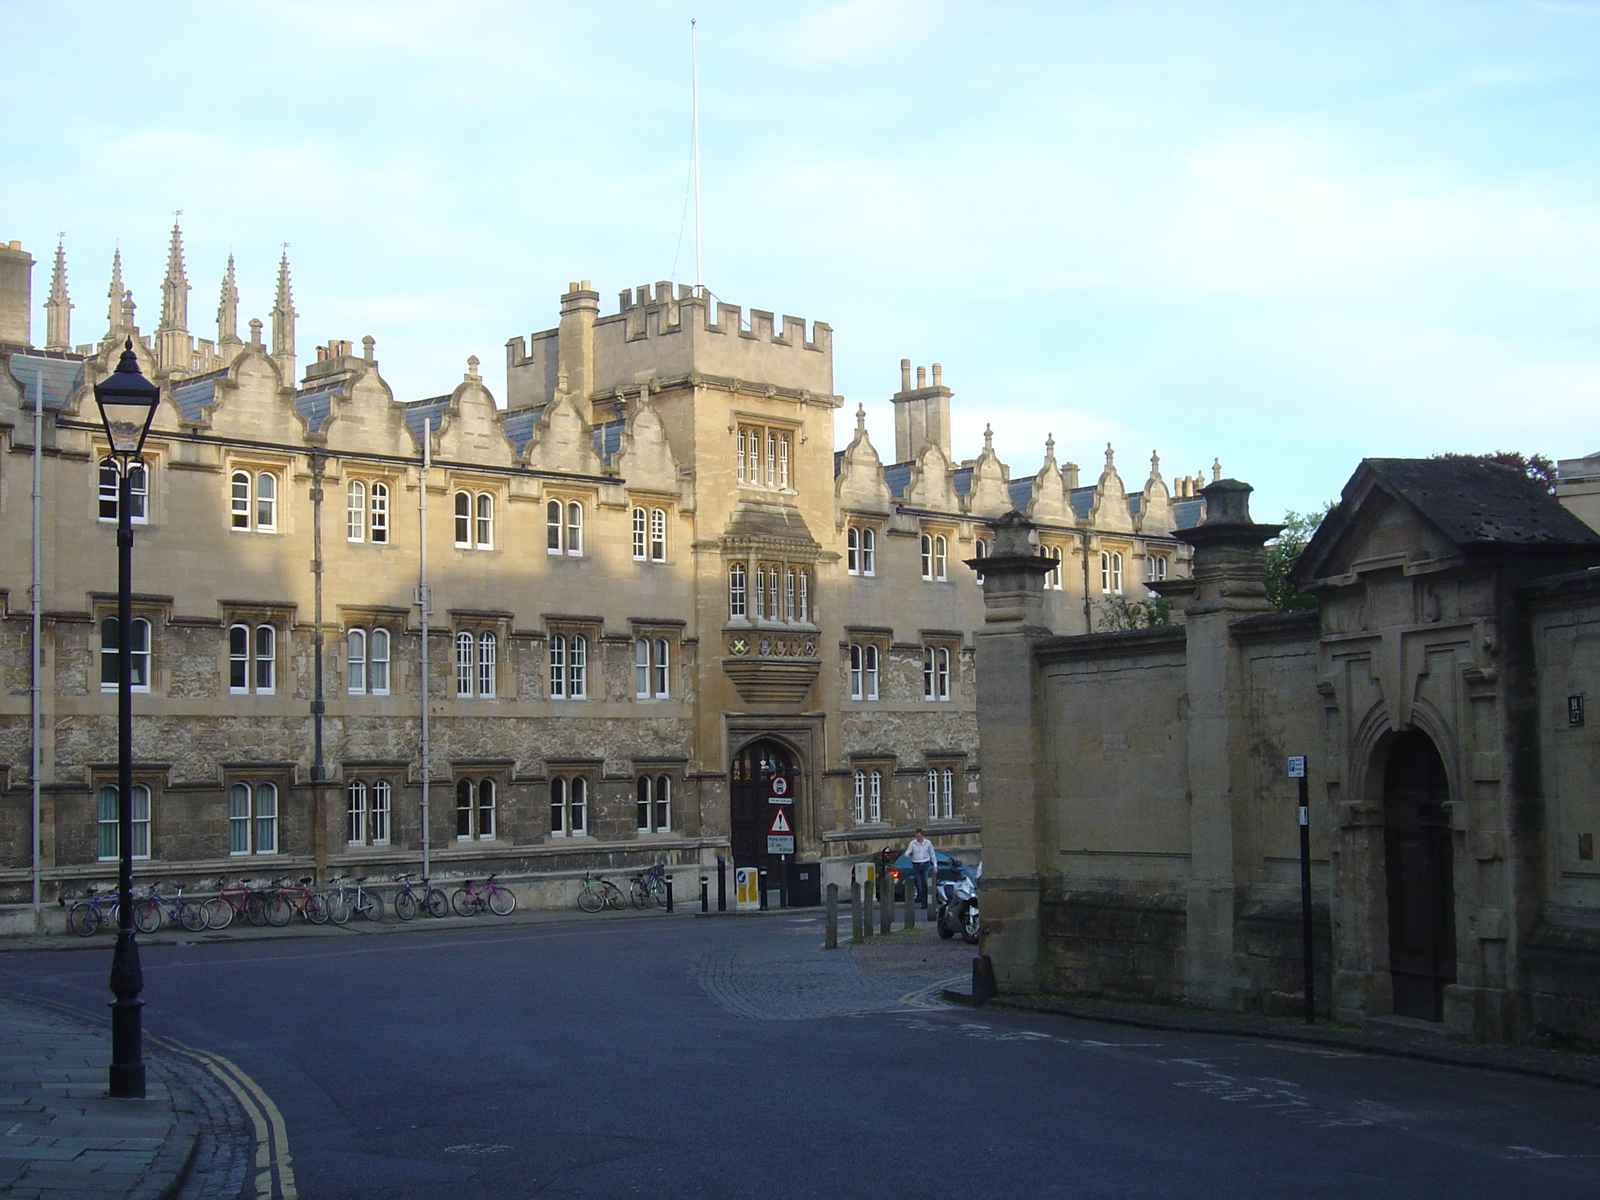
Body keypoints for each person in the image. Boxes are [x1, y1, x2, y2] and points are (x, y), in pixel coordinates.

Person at [905, 828, 937, 907]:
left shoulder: (928, 843)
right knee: (919, 885)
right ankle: (923, 901)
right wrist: (910, 854)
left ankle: (926, 902)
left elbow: (932, 854)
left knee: (925, 883)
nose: (918, 838)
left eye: (919, 836)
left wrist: (935, 866)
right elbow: (906, 854)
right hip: (916, 865)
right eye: (916, 837)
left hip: (926, 864)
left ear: (922, 836)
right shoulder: (912, 843)